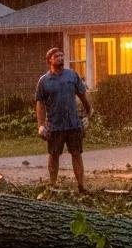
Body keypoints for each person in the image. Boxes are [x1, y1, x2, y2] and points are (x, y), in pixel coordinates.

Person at [35, 46, 93, 193]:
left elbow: (83, 96)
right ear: (50, 60)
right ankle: (53, 186)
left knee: (76, 154)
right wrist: (41, 125)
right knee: (54, 155)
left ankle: (81, 186)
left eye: (62, 56)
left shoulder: (72, 75)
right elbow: (40, 104)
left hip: (73, 124)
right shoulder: (44, 81)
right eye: (57, 56)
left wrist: (88, 115)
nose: (60, 58)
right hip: (54, 126)